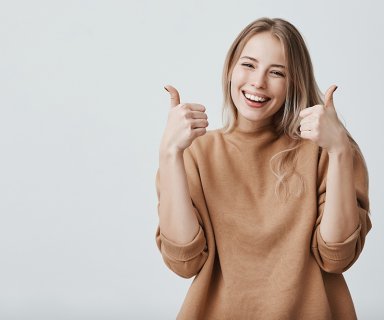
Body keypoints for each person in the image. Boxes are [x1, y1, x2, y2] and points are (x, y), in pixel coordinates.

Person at [155, 17, 372, 319]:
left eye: (277, 72)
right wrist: (169, 153)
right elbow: (184, 262)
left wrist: (338, 152)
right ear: (231, 69)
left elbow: (337, 256)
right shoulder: (196, 152)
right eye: (248, 65)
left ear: (294, 82)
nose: (258, 82)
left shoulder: (327, 150)